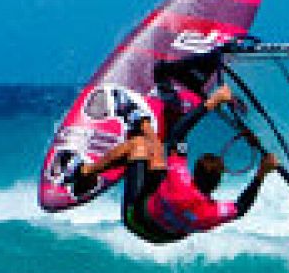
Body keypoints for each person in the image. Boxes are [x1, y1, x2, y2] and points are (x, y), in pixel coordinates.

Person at [63, 55, 276, 244]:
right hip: (166, 235)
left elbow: (178, 134)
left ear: (194, 173)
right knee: (156, 158)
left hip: (137, 218)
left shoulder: (179, 178)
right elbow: (241, 208)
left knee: (140, 147)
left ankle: (84, 173)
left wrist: (211, 102)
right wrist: (261, 173)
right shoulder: (212, 212)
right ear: (218, 183)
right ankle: (142, 123)